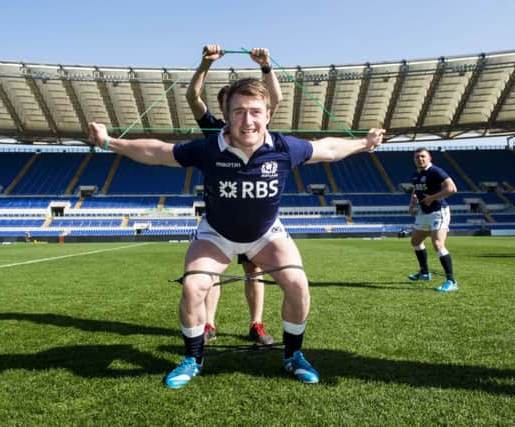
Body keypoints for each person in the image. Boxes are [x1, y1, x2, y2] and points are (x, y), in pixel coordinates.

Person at [88, 77, 385, 389]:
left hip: (266, 233)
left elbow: (330, 148)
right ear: (226, 115)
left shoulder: (284, 148)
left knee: (298, 283)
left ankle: (293, 355)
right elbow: (158, 152)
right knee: (193, 287)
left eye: (255, 111)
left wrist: (365, 143)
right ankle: (193, 358)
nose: (248, 120)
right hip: (217, 233)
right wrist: (109, 142)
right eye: (239, 111)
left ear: (268, 115)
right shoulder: (208, 149)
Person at [186, 45, 283, 345]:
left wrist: (266, 67)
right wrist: (204, 64)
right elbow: (192, 97)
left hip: (254, 216)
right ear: (224, 109)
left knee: (254, 271)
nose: (241, 117)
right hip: (221, 215)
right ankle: (209, 324)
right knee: (211, 272)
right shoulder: (212, 129)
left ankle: (256, 324)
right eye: (230, 107)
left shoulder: (255, 128)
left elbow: (275, 100)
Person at [407, 148, 458, 292]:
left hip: (438, 211)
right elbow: (416, 191)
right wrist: (412, 203)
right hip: (424, 212)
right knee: (415, 242)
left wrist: (432, 198)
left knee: (437, 243)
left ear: (430, 158)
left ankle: (451, 281)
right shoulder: (415, 175)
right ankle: (424, 273)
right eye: (417, 157)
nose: (420, 159)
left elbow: (452, 188)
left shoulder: (435, 171)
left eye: (423, 156)